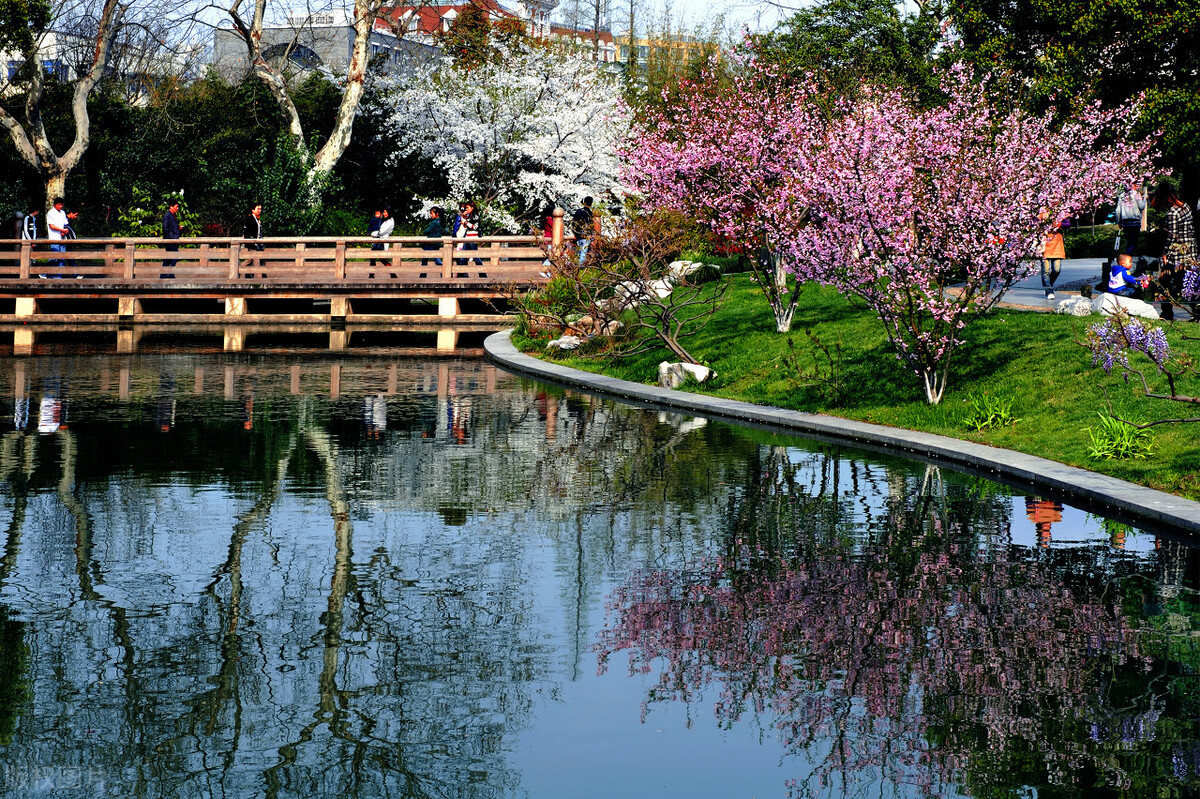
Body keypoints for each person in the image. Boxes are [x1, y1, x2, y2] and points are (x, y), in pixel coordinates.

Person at [1151, 183, 1197, 320]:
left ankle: (1167, 312)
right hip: (1190, 250)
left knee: (1164, 281)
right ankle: (1196, 311)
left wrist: (1164, 253)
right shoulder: (1185, 206)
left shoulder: (1173, 212)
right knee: (1189, 282)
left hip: (1176, 254)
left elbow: (1172, 236)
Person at [1039, 210, 1066, 301]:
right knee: (1045, 270)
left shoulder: (1061, 210)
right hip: (1044, 242)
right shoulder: (1041, 210)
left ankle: (1048, 285)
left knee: (1056, 269)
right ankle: (1048, 290)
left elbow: (1068, 223)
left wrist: (1058, 224)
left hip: (1057, 243)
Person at [1114, 181, 1145, 256]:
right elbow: (1141, 206)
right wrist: (1144, 199)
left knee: (1129, 241)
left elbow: (1118, 211)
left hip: (1125, 222)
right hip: (1135, 222)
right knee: (1133, 242)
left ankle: (1128, 257)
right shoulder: (1136, 195)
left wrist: (1119, 221)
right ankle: (1128, 256)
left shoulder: (1121, 196)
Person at [44, 197, 69, 278]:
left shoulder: (63, 213)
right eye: (59, 205)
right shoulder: (51, 213)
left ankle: (58, 276)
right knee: (54, 257)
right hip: (54, 237)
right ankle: (45, 272)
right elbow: (52, 226)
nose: (60, 206)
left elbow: (65, 224)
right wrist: (62, 230)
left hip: (62, 238)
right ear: (55, 205)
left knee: (62, 257)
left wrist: (64, 230)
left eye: (62, 205)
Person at [572, 196, 598, 265]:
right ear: (591, 203)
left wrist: (575, 233)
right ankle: (580, 269)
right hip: (585, 235)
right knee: (583, 254)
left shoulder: (578, 211)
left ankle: (576, 267)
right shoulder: (589, 213)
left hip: (578, 234)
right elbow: (590, 225)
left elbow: (574, 223)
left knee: (579, 252)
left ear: (584, 202)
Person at [242, 202, 265, 278]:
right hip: (252, 243)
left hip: (257, 243)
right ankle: (259, 279)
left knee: (249, 260)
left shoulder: (257, 219)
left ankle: (237, 269)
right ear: (253, 210)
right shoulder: (250, 219)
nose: (260, 210)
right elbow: (246, 233)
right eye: (258, 209)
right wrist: (251, 242)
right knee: (256, 259)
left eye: (260, 209)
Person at [370, 206, 394, 278]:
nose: (384, 213)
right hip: (377, 241)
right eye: (383, 212)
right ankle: (371, 275)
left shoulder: (391, 221)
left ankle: (392, 273)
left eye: (385, 212)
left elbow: (382, 232)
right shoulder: (382, 219)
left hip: (383, 241)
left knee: (382, 259)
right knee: (372, 258)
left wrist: (373, 233)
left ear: (389, 213)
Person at [161, 198, 181, 278]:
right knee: (174, 256)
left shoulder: (173, 215)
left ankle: (163, 274)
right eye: (176, 206)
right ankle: (170, 273)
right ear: (171, 207)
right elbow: (165, 229)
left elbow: (172, 227)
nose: (177, 208)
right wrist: (172, 237)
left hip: (174, 240)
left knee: (168, 258)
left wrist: (179, 228)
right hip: (170, 240)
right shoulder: (167, 215)